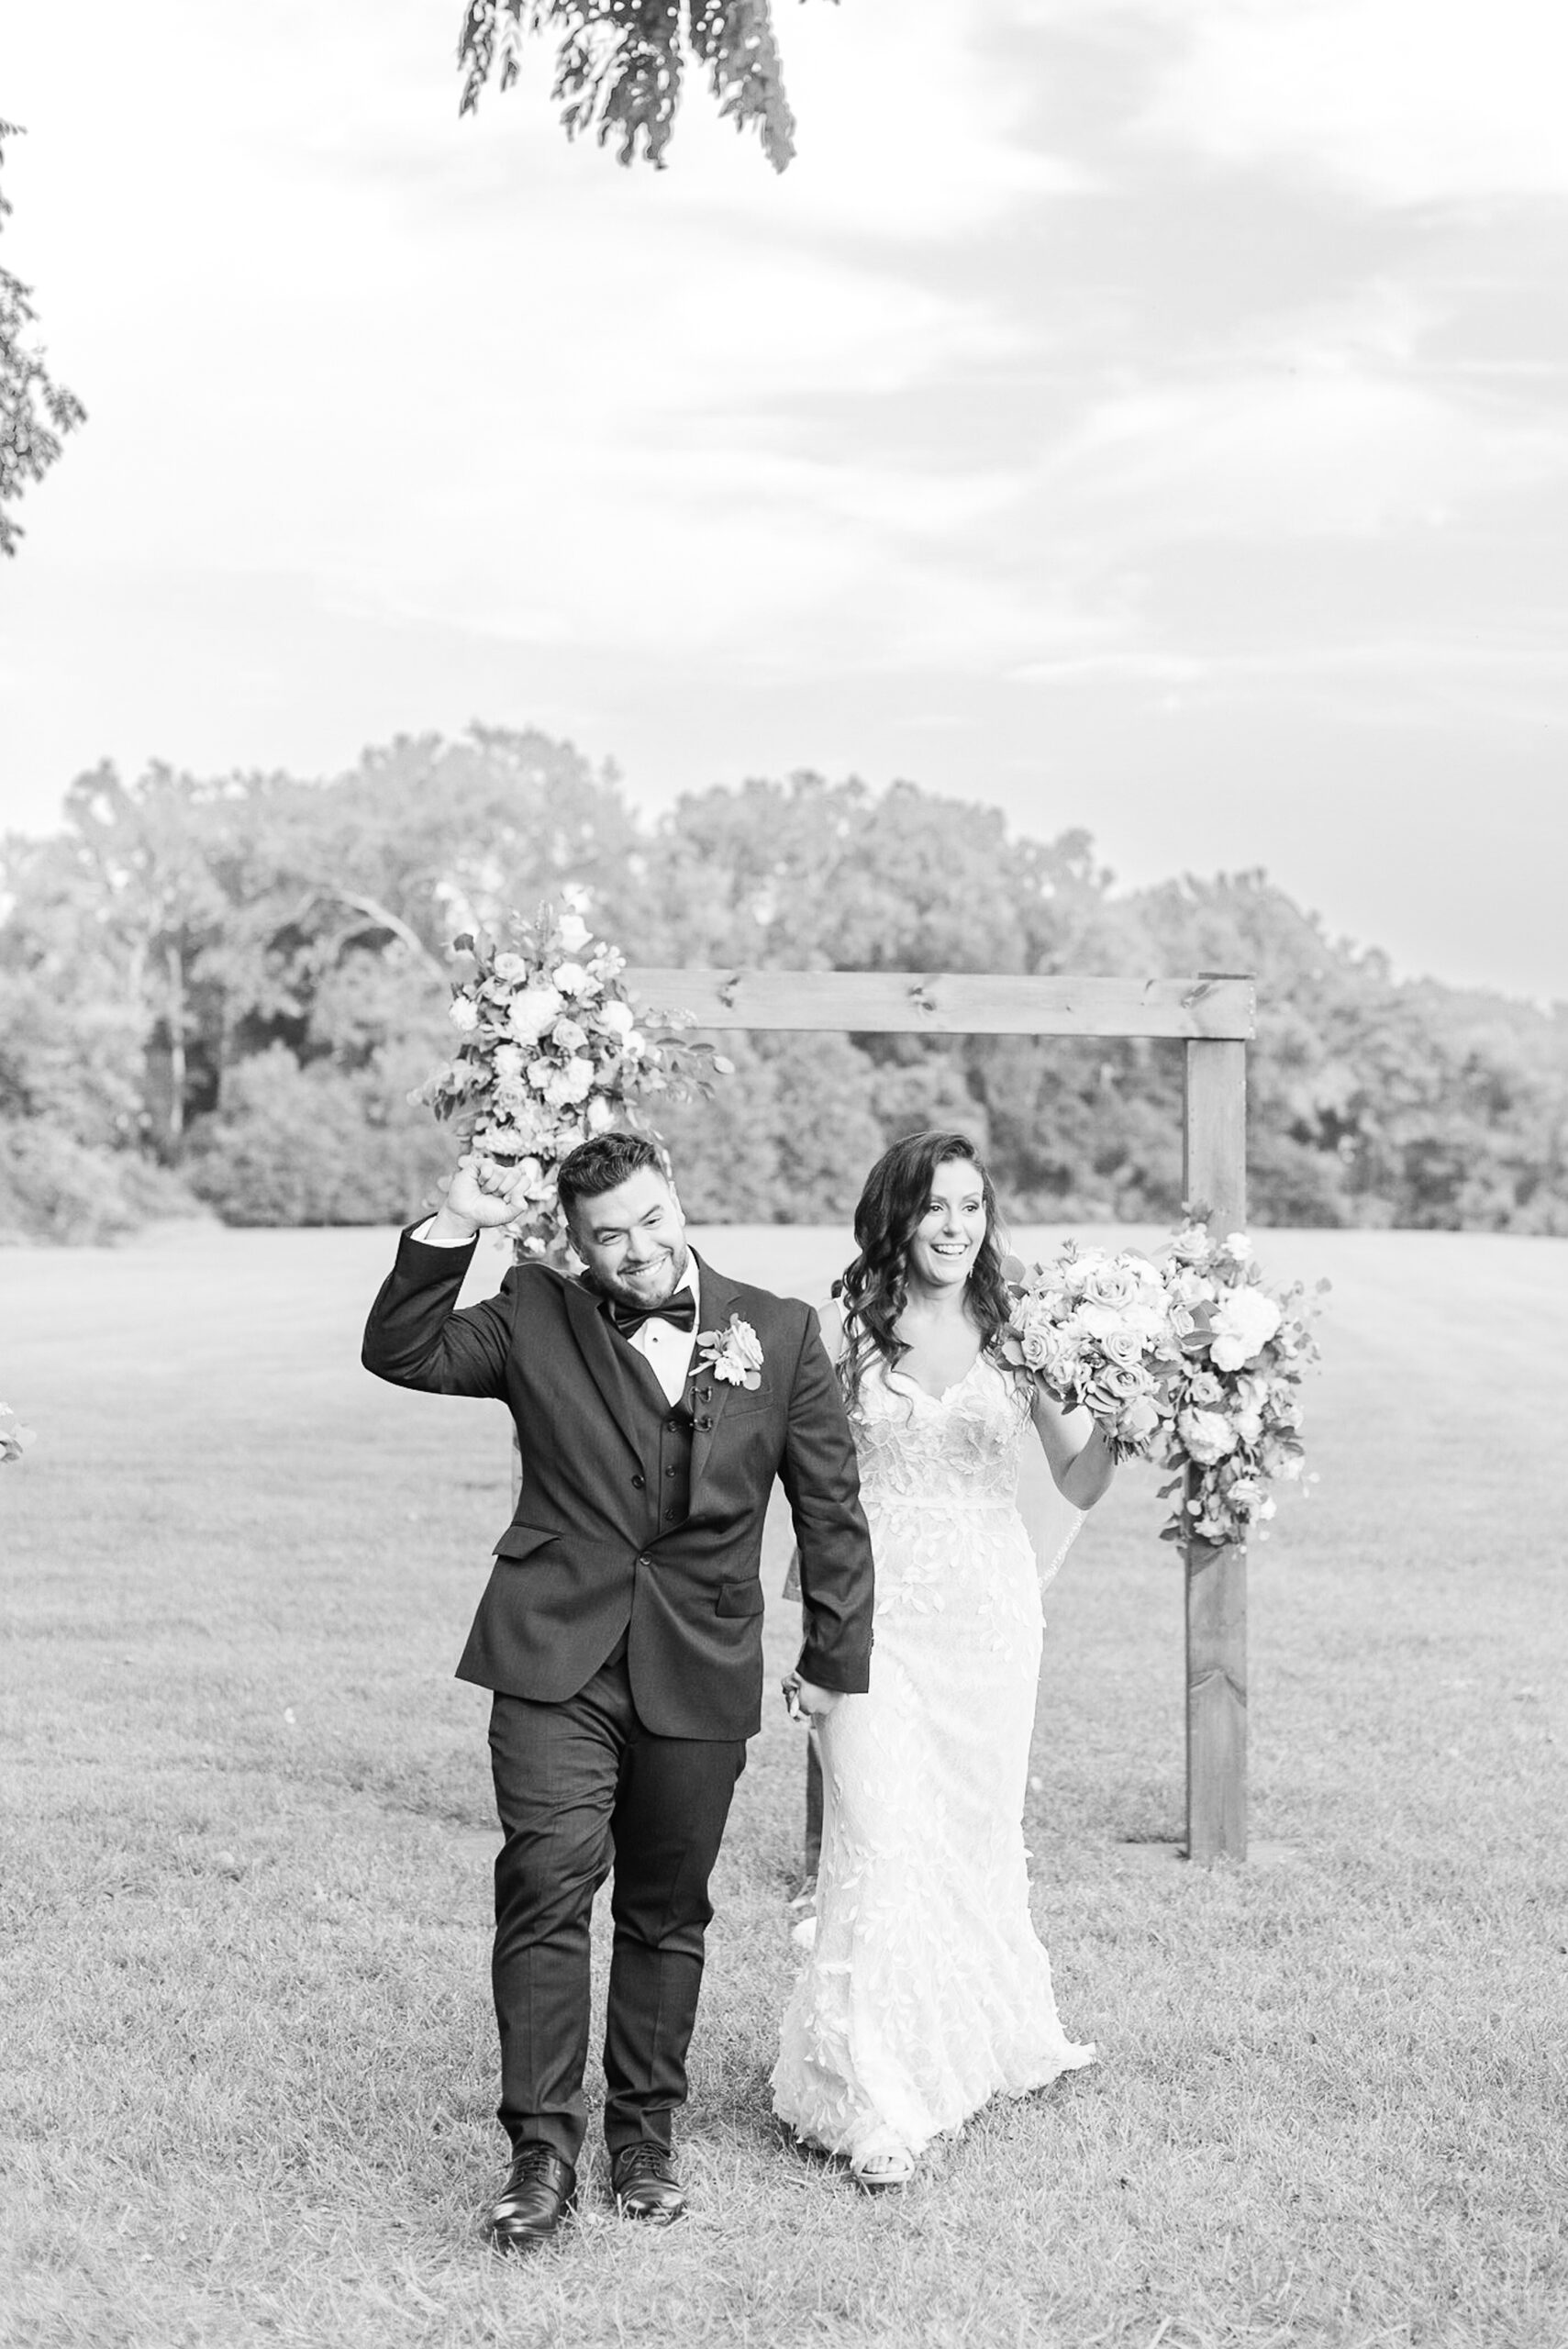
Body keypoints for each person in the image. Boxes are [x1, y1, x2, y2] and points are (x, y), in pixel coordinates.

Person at [362, 1132, 874, 2253]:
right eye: (609, 1237)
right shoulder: (530, 1312)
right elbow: (400, 1350)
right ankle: (540, 2150)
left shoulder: (777, 1331)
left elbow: (831, 1512)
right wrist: (455, 1222)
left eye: (650, 1220)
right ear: (577, 1244)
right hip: (553, 1654)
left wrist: (833, 1661)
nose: (636, 1249)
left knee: (663, 1908)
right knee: (544, 1882)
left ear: (676, 1200)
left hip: (701, 1660)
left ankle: (643, 2139)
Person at [771, 1130, 1114, 2189]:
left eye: (970, 1204)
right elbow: (814, 1488)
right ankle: (866, 2094)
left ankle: (972, 2041)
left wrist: (1145, 1414)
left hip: (988, 1620)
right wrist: (815, 1629)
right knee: (874, 1835)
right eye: (934, 1207)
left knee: (969, 1831)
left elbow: (1082, 1480)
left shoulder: (1020, 1339)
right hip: (872, 1622)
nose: (955, 1225)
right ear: (897, 1218)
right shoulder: (850, 1338)